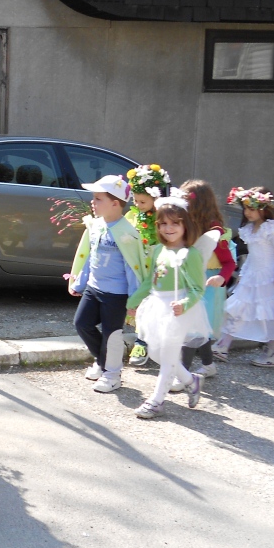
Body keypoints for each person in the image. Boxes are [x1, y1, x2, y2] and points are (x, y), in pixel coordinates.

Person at [126, 193, 207, 418]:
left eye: (174, 223)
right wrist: (134, 301)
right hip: (156, 306)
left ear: (185, 225)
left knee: (169, 356)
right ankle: (191, 381)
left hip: (178, 309)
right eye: (163, 223)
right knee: (156, 352)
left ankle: (156, 401)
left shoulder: (190, 254)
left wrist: (184, 304)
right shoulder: (159, 251)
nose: (168, 228)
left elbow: (197, 288)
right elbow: (150, 281)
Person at [69, 175, 148, 393]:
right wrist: (79, 282)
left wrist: (134, 299)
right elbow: (89, 256)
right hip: (94, 288)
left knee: (112, 334)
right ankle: (103, 361)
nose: (92, 202)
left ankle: (112, 375)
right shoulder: (95, 225)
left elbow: (133, 267)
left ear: (115, 203)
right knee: (82, 324)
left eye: (98, 198)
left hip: (116, 294)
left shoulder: (127, 233)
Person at [212, 186, 274, 367]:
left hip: (271, 278)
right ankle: (222, 345)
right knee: (237, 308)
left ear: (265, 208)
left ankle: (273, 353)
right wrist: (243, 273)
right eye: (245, 208)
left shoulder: (272, 228)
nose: (247, 213)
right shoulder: (250, 229)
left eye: (252, 208)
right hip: (252, 276)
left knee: (271, 315)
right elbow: (252, 255)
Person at [177, 178, 235, 382]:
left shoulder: (214, 231)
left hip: (208, 284)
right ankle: (208, 365)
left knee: (192, 328)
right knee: (197, 326)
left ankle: (182, 375)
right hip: (189, 280)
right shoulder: (183, 225)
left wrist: (221, 277)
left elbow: (229, 262)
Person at [124, 163, 171, 367]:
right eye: (135, 200)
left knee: (157, 305)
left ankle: (152, 342)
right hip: (138, 267)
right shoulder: (133, 215)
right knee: (140, 304)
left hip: (160, 268)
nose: (138, 204)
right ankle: (141, 341)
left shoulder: (166, 218)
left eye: (142, 201)